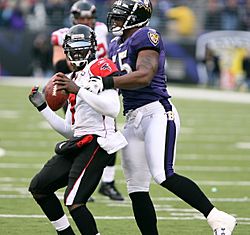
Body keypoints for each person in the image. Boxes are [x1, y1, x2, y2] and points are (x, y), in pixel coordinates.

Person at [100, 0, 237, 234]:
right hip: (132, 118)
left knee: (163, 174)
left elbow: (144, 75)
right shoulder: (114, 44)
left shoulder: (146, 36)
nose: (116, 20)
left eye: (122, 15)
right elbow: (113, 87)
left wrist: (105, 81)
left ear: (135, 17)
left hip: (156, 111)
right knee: (136, 188)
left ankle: (218, 218)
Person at [28, 24, 127, 235]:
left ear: (91, 47)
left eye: (82, 46)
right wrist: (43, 107)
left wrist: (79, 90)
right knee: (39, 187)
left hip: (98, 141)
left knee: (74, 200)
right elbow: (71, 130)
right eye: (73, 47)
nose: (77, 51)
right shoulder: (72, 78)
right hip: (80, 141)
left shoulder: (101, 66)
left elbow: (112, 109)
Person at [50, 0, 124, 201]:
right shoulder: (62, 33)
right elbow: (58, 63)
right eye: (81, 18)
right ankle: (79, 180)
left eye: (88, 18)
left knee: (108, 130)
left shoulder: (101, 29)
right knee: (78, 130)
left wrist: (105, 75)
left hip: (99, 80)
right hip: (76, 82)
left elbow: (109, 55)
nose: (85, 21)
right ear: (74, 18)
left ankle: (107, 182)